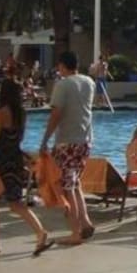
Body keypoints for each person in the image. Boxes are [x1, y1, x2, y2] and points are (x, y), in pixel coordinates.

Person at [0, 79, 53, 256]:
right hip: (15, 160)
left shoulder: (1, 113)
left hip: (0, 161)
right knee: (15, 202)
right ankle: (40, 232)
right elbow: (19, 139)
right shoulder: (22, 114)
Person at [39, 51, 95, 245]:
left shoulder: (62, 85)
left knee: (66, 187)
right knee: (75, 183)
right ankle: (85, 222)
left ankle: (75, 232)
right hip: (85, 140)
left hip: (67, 141)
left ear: (62, 65)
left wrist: (45, 139)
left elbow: (56, 114)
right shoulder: (89, 82)